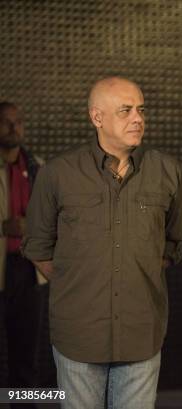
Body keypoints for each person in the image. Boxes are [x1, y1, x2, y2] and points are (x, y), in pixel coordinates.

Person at [22, 77, 182, 409]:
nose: (138, 118)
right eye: (125, 110)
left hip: (142, 333)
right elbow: (39, 247)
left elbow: (174, 243)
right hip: (78, 337)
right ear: (96, 117)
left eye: (141, 109)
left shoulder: (168, 170)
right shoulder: (57, 174)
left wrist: (135, 272)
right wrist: (81, 281)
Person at [0, 102, 46, 408]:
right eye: (6, 122)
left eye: (19, 121)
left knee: (26, 356)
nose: (14, 127)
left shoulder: (38, 167)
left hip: (28, 272)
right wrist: (4, 226)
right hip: (0, 270)